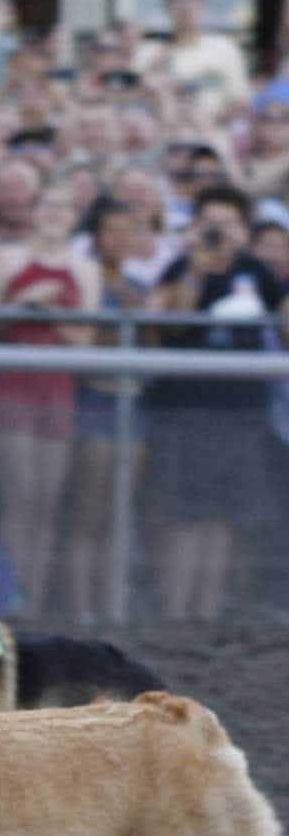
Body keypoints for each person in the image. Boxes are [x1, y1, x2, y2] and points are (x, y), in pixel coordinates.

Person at [144, 184, 286, 623]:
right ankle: (174, 613)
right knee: (183, 516)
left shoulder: (257, 271)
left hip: (240, 411)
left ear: (242, 228)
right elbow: (168, 326)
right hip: (183, 409)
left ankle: (204, 616)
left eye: (228, 223)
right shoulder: (179, 267)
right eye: (211, 223)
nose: (219, 232)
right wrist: (195, 271)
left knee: (223, 517)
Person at [0, 184, 97, 616]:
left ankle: (36, 594)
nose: (54, 213)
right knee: (19, 495)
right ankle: (12, 590)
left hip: (56, 389)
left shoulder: (84, 268)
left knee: (47, 500)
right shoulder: (9, 259)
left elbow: (87, 341)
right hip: (11, 387)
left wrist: (53, 312)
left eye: (63, 206)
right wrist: (24, 301)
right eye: (47, 204)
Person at [66, 199, 148, 623]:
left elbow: (151, 350)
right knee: (90, 509)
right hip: (96, 405)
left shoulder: (139, 287)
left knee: (120, 511)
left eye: (127, 230)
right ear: (96, 236)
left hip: (132, 407)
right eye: (111, 230)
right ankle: (82, 606)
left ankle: (113, 601)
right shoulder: (85, 281)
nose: (119, 239)